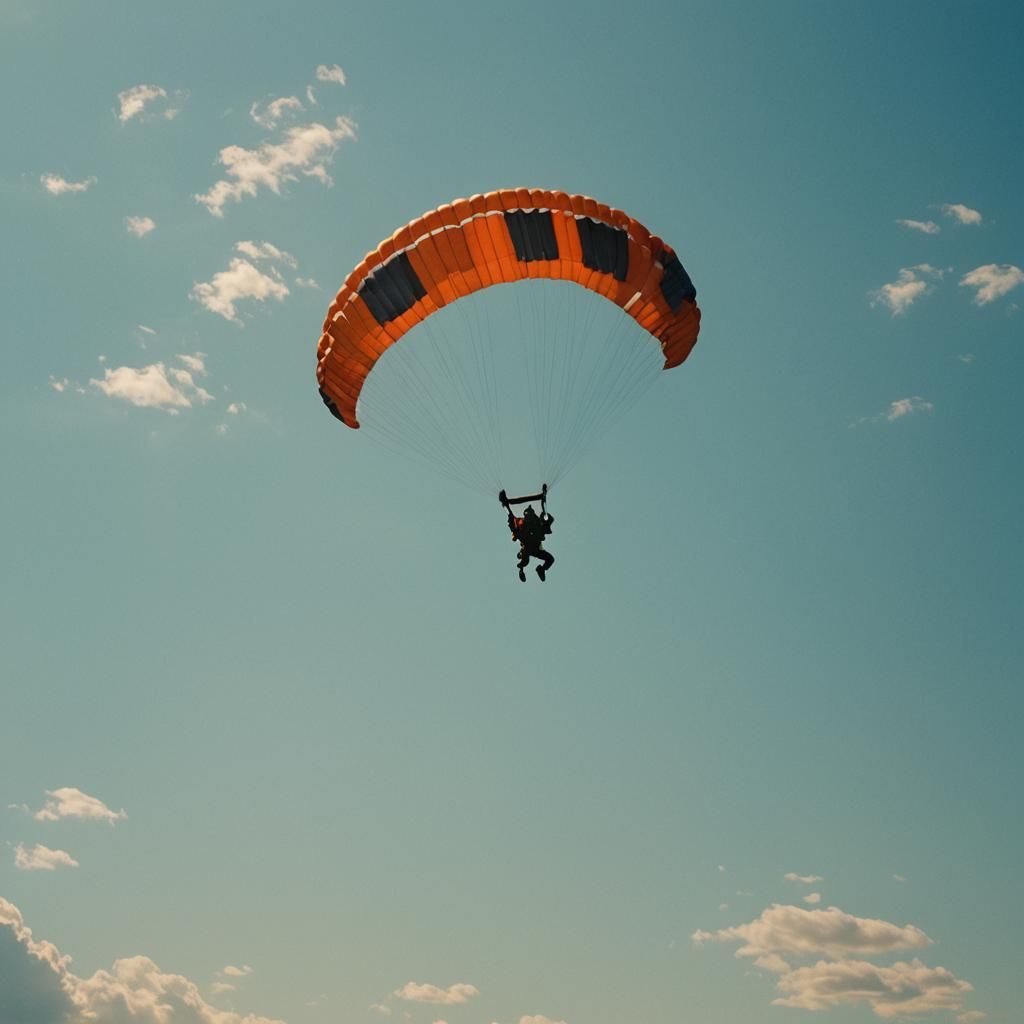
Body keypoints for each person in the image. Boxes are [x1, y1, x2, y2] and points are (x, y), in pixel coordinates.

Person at [501, 489, 555, 582]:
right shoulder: (521, 526)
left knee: (550, 559)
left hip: (536, 548)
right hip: (527, 548)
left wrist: (544, 498)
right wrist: (506, 505)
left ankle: (541, 569)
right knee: (524, 561)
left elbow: (548, 519)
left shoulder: (538, 524)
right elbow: (511, 518)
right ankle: (521, 569)